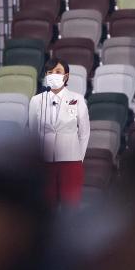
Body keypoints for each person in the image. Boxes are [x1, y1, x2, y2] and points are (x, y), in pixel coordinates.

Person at [29, 58, 90, 207]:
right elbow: (33, 132)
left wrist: (78, 158)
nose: (53, 75)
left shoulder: (77, 99)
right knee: (46, 208)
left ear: (66, 76)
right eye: (50, 72)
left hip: (71, 161)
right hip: (45, 163)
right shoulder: (36, 101)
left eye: (58, 72)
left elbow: (84, 132)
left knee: (71, 207)